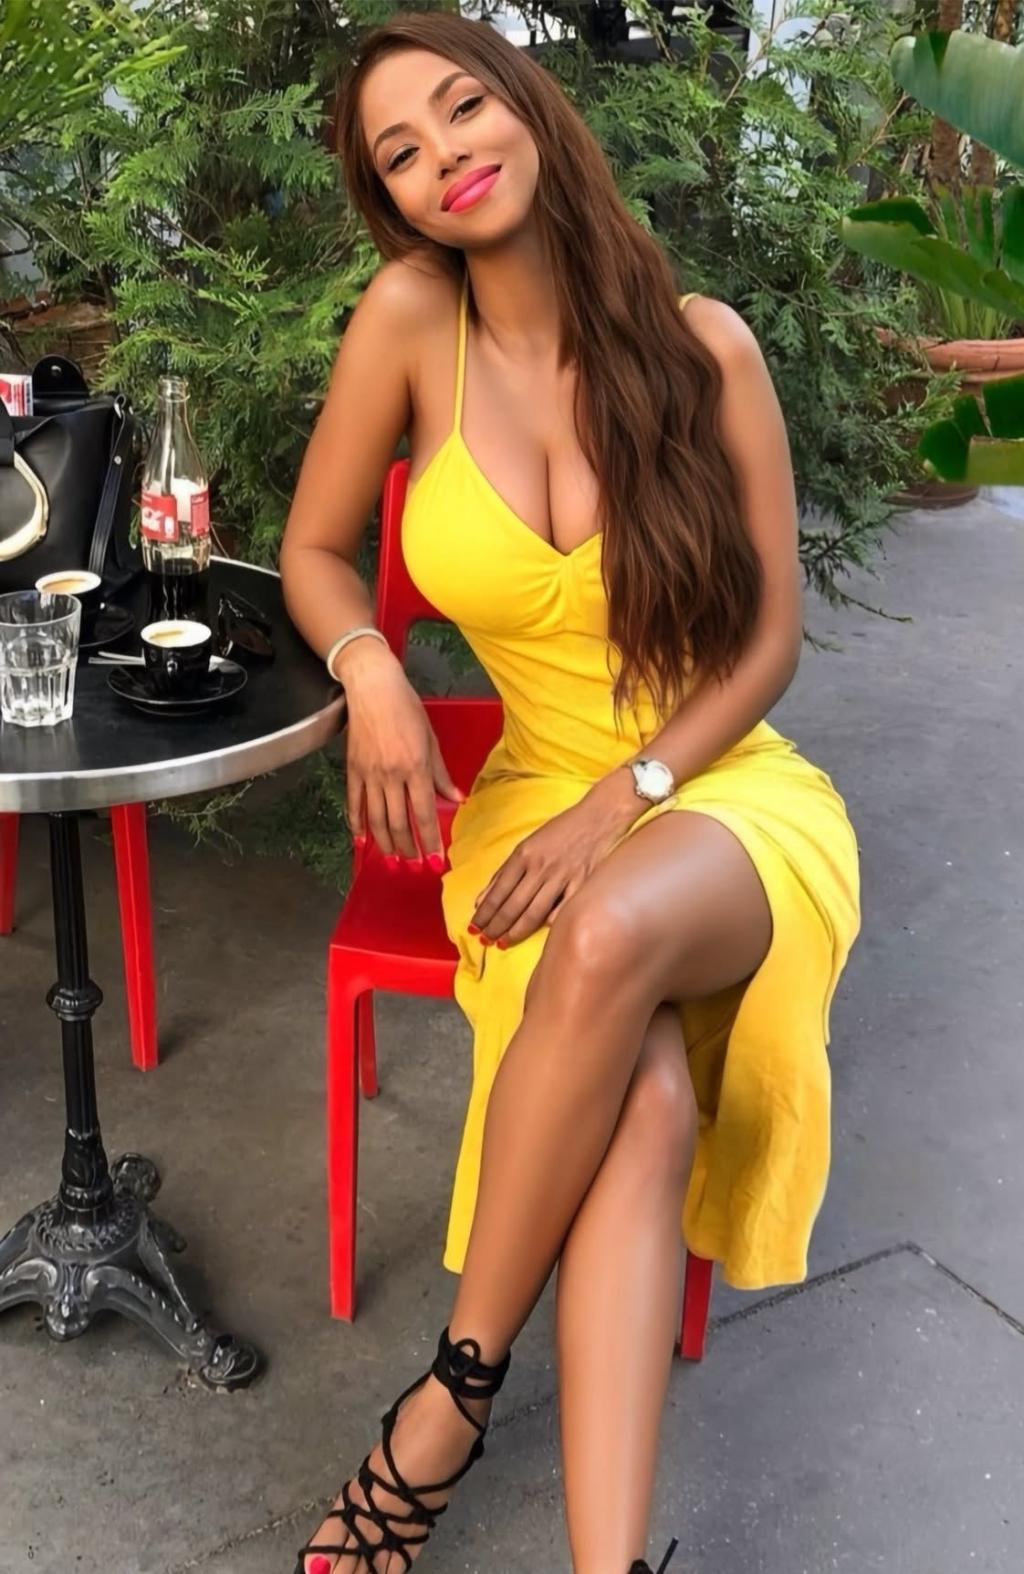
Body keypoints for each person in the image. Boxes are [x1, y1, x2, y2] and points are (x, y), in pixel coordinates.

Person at [278, 9, 862, 1572]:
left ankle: (446, 1403)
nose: (446, 155)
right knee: (645, 1099)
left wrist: (629, 797)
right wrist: (372, 669)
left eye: (462, 107)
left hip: (724, 790)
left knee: (603, 935)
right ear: (393, 200)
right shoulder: (413, 321)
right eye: (402, 151)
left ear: (528, 106)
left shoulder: (705, 346)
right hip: (529, 797)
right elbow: (314, 548)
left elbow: (769, 644)